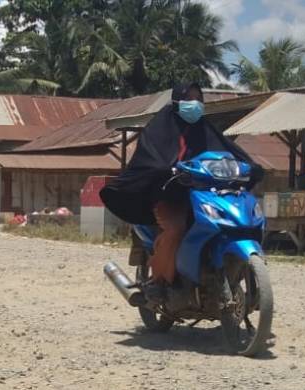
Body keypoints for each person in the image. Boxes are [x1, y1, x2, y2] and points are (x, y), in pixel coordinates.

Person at [100, 83, 259, 304]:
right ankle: (158, 281)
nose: (195, 104)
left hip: (203, 196)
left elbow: (228, 152)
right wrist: (166, 169)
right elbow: (151, 159)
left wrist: (251, 166)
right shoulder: (159, 129)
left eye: (198, 99)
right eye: (189, 99)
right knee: (176, 229)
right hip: (170, 196)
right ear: (176, 102)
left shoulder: (205, 130)